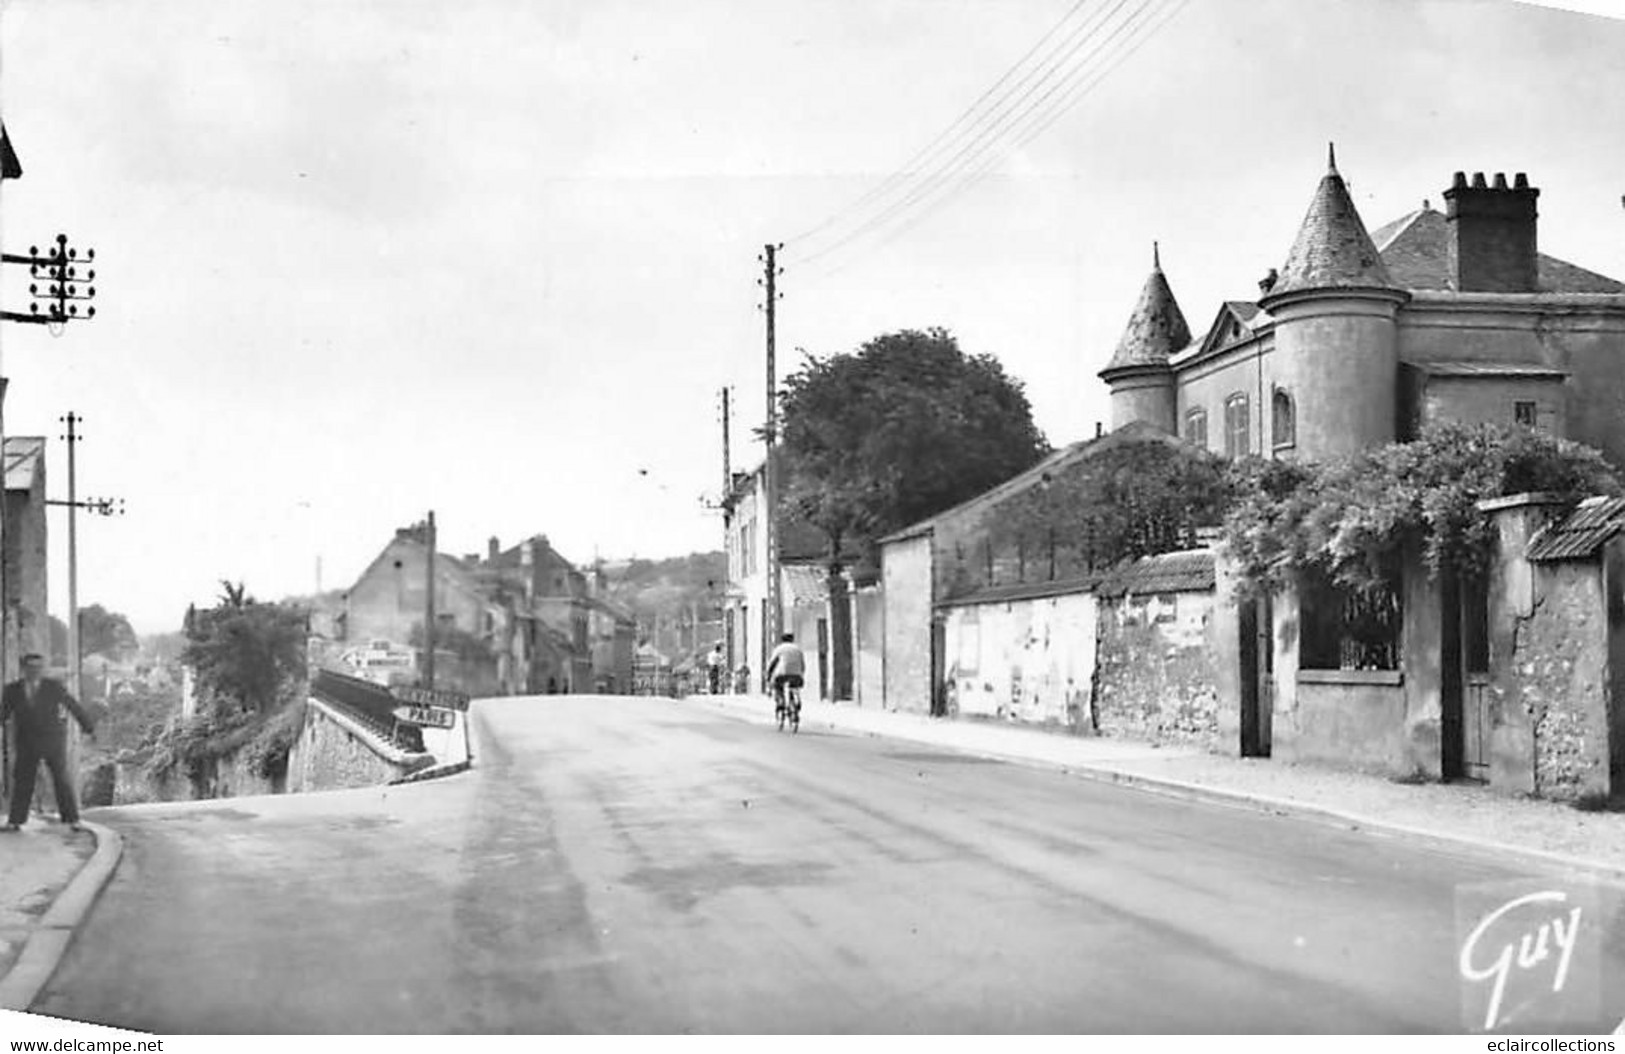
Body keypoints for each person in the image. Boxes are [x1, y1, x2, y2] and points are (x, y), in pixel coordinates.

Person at [1, 653, 97, 832]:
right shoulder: (12, 690)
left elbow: (72, 706)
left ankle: (71, 819)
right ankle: (15, 821)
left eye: (38, 667)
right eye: (31, 667)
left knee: (61, 779)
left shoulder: (52, 687)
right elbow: (3, 713)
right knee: (22, 780)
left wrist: (88, 728)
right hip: (26, 742)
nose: (35, 671)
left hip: (52, 740)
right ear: (24, 669)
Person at [764, 632, 805, 715]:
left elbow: (772, 663)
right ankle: (795, 700)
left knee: (778, 686)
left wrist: (768, 675)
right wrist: (801, 674)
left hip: (782, 674)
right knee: (794, 687)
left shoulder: (779, 649)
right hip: (797, 675)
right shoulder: (798, 649)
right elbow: (803, 665)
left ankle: (781, 702)